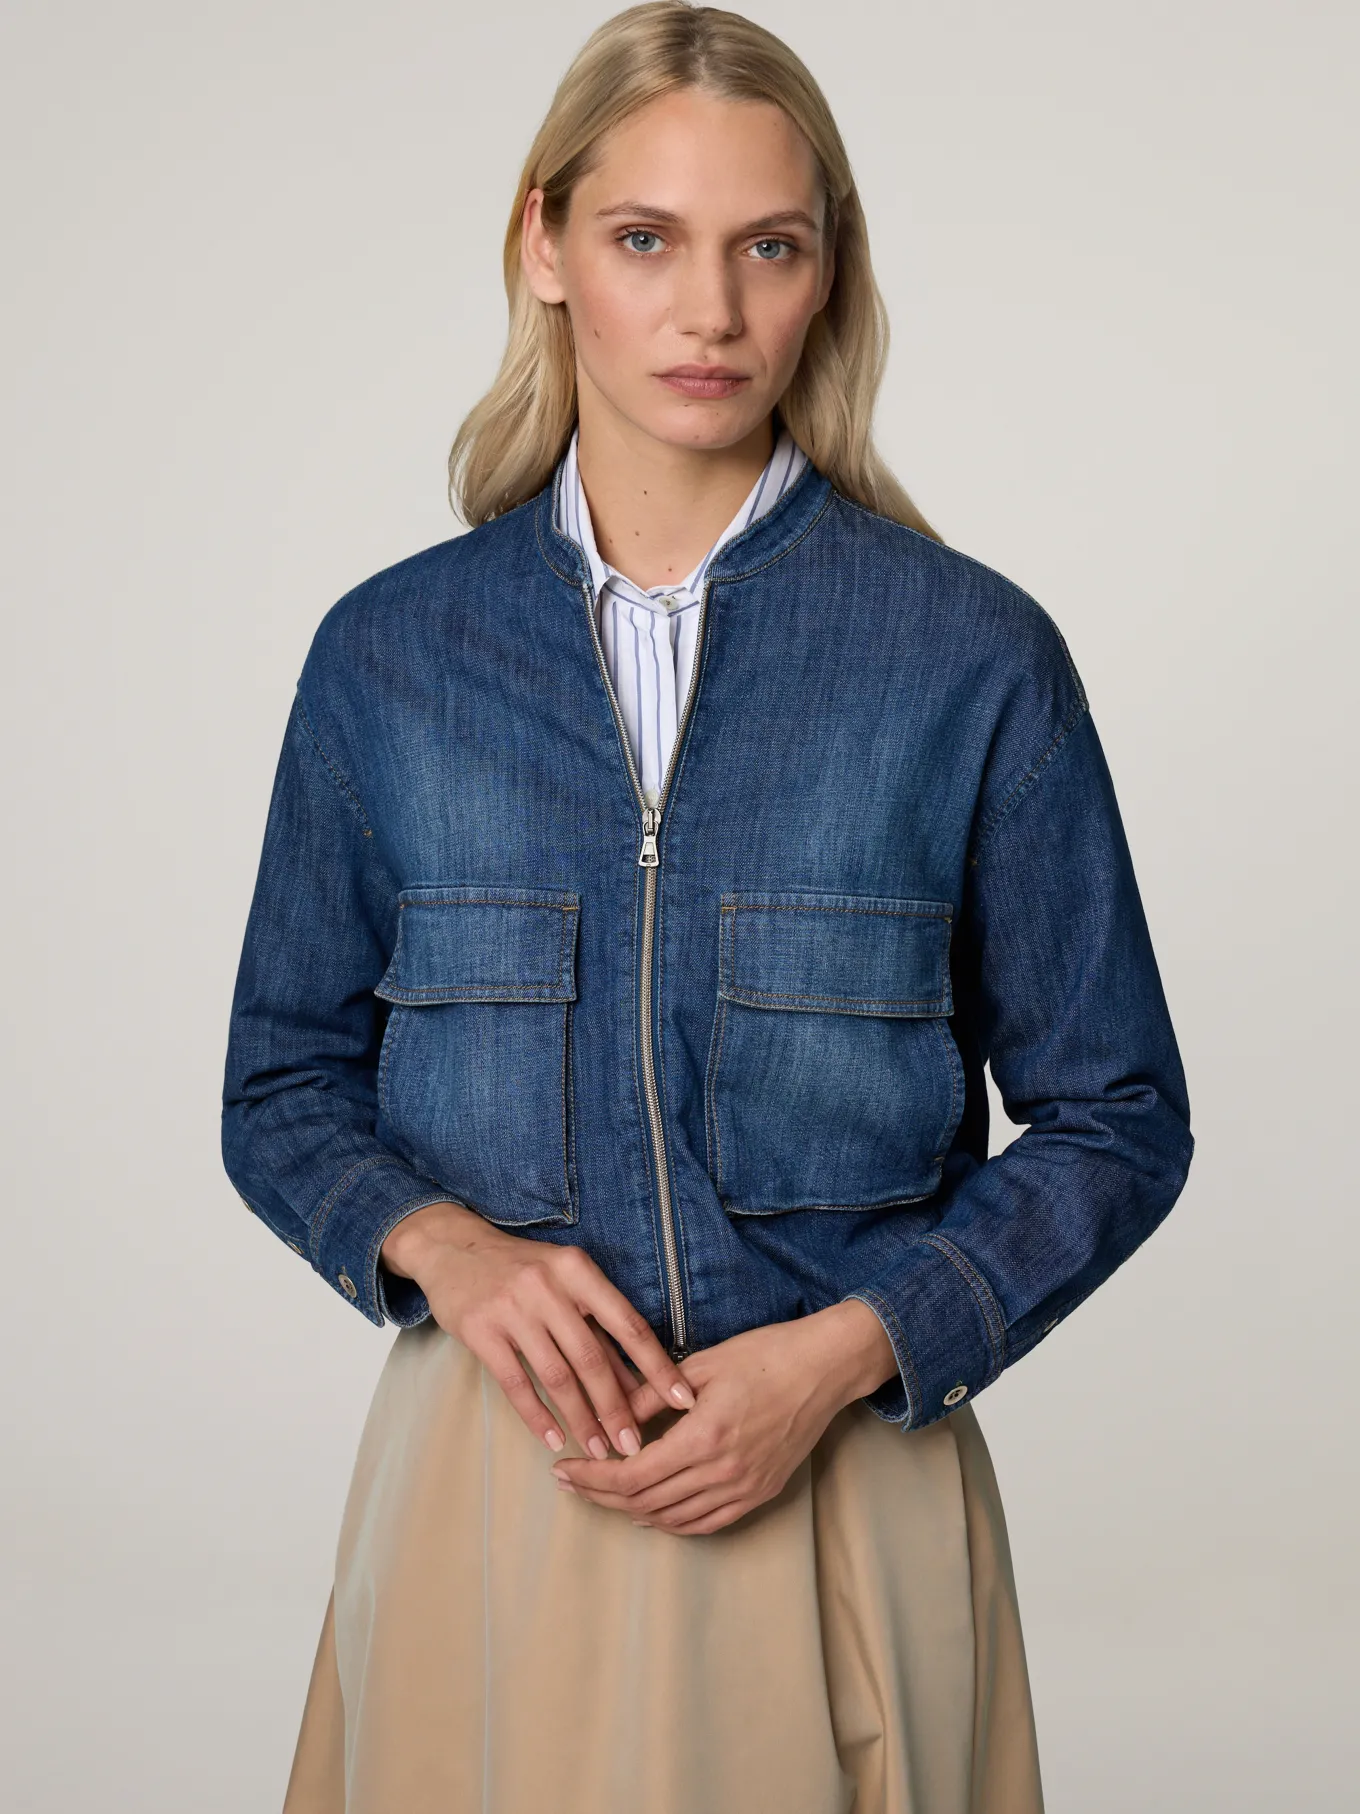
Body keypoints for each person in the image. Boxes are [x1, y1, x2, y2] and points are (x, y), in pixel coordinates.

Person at [221, 5, 1194, 1809]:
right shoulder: (391, 658)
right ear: (543, 245)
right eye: (645, 238)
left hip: (844, 1480)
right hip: (492, 1492)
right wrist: (450, 1248)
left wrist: (844, 1354)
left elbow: (1119, 1115)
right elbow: (281, 1081)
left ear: (830, 274)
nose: (712, 311)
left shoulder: (970, 658)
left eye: (771, 247)